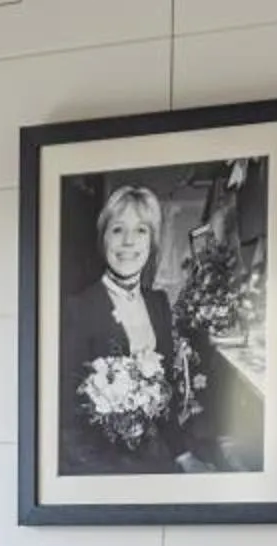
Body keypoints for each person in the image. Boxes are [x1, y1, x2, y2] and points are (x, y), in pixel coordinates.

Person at [55, 184, 191, 474]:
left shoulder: (158, 303)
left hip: (157, 454)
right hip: (100, 465)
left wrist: (184, 455)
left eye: (141, 230)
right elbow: (65, 420)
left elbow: (167, 392)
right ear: (103, 238)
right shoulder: (76, 308)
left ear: (152, 241)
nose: (129, 241)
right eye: (117, 229)